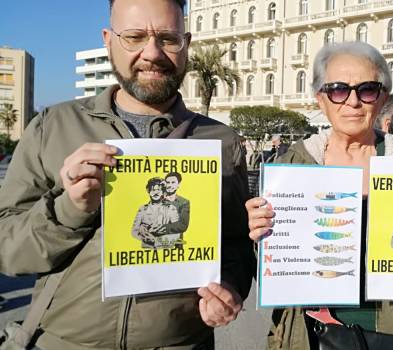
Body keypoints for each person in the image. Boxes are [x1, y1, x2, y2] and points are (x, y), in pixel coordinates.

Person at [0, 0, 254, 348]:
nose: (152, 53)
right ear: (108, 40)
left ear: (186, 43)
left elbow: (238, 245)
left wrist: (229, 286)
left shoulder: (221, 142)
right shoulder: (52, 126)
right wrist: (68, 210)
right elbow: (9, 250)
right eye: (134, 36)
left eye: (167, 38)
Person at [245, 41, 393, 350]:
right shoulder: (290, 166)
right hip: (307, 336)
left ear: (382, 97)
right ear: (320, 99)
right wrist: (258, 236)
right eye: (337, 89)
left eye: (367, 89)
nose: (352, 101)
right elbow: (267, 269)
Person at [131, 177, 179, 248]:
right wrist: (145, 237)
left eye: (159, 190)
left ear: (163, 192)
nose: (156, 192)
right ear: (148, 191)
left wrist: (157, 241)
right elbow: (134, 231)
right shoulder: (143, 209)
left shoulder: (171, 209)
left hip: (165, 249)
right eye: (153, 190)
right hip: (147, 249)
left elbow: (177, 232)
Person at [164, 171, 190, 247]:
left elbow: (182, 225)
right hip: (158, 244)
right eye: (167, 182)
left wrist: (160, 227)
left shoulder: (184, 202)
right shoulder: (156, 200)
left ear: (178, 185)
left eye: (173, 182)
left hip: (176, 245)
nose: (169, 185)